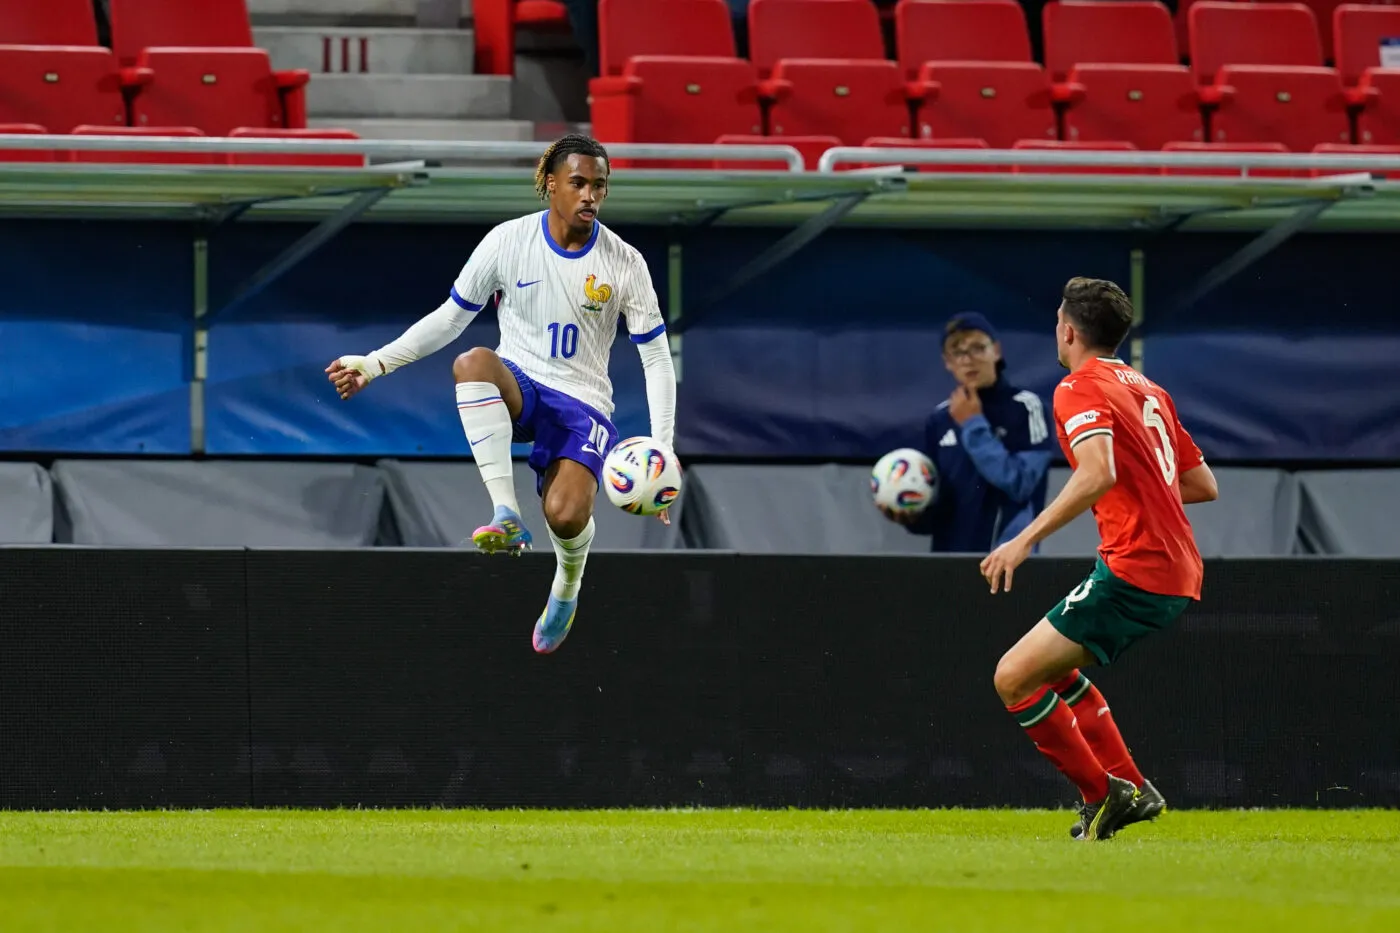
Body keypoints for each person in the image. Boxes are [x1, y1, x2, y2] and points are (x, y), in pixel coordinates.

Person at [326, 134, 676, 656]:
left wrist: (663, 449)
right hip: (522, 381)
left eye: (599, 186)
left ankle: (567, 585)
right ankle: (505, 513)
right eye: (578, 183)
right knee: (472, 362)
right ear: (550, 184)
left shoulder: (626, 263)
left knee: (565, 515)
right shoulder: (507, 242)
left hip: (583, 406)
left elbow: (656, 358)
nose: (589, 196)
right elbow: (450, 319)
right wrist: (376, 363)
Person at [979, 277, 1219, 841]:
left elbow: (1098, 472)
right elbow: (1201, 483)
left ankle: (1105, 794)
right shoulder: (1149, 390)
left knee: (1012, 678)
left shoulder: (1077, 386)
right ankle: (1134, 786)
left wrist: (1022, 538)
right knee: (1054, 671)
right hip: (1176, 567)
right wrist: (1137, 489)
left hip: (1138, 566)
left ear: (1067, 330)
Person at [884, 313, 1053, 553]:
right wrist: (911, 514)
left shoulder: (1027, 407)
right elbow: (939, 509)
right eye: (958, 352)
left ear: (996, 350)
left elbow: (1021, 484)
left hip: (1008, 567)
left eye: (977, 347)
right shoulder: (940, 419)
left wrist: (973, 424)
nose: (968, 359)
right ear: (947, 362)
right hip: (949, 569)